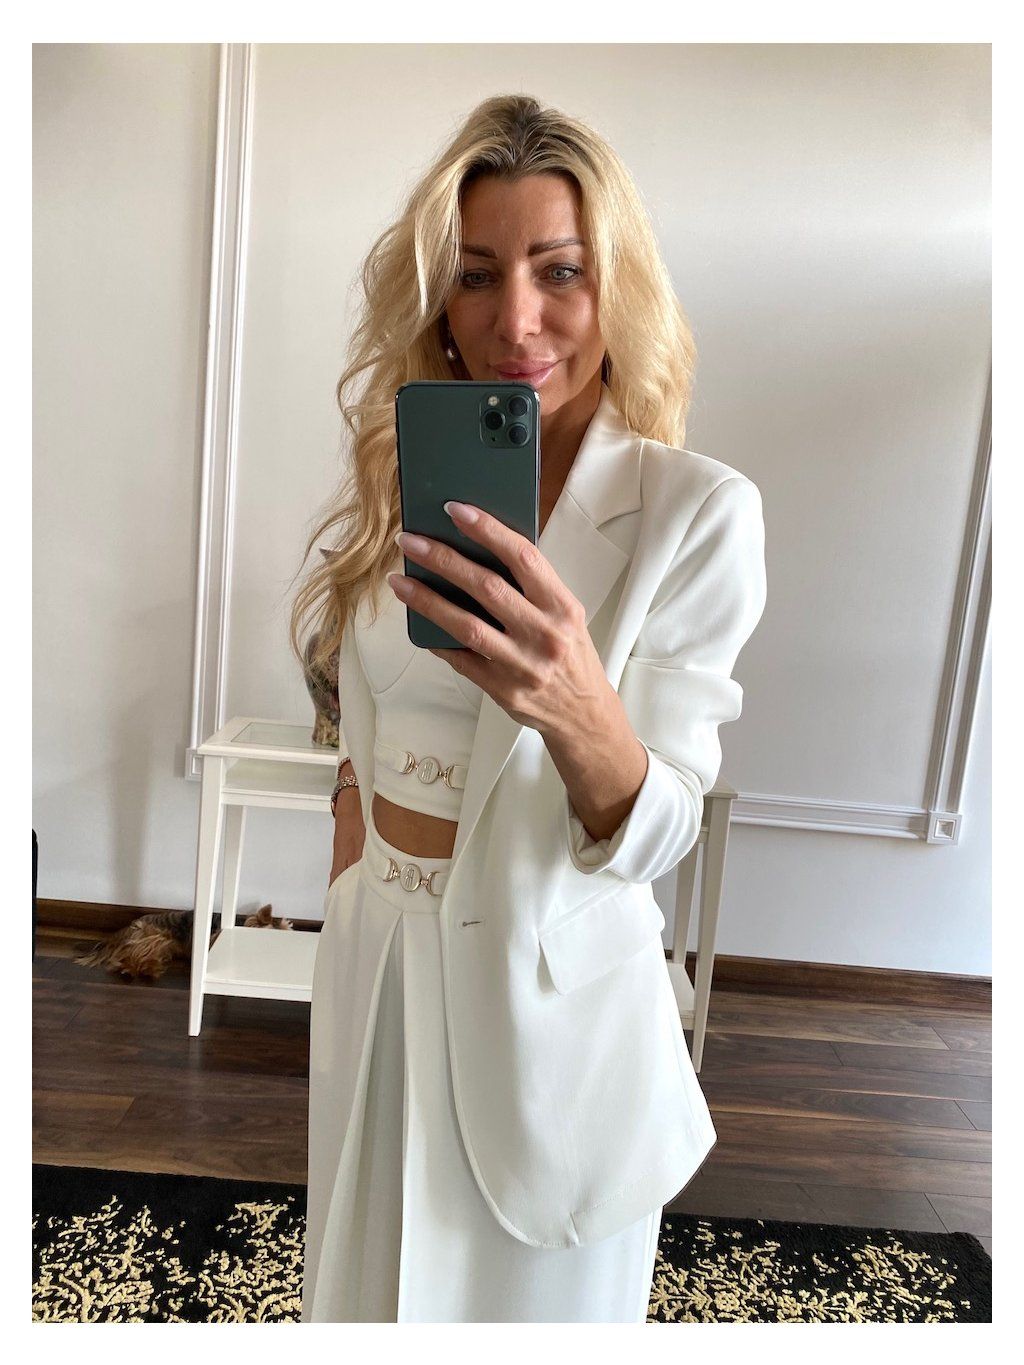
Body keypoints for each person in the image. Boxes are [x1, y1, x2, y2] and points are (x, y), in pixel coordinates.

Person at [289, 92, 767, 1323]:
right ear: (437, 302)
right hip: (377, 970)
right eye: (475, 276)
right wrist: (350, 882)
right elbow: (364, 725)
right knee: (365, 1304)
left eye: (560, 271)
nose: (516, 321)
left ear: (617, 288)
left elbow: (661, 831)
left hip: (548, 1014)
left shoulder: (694, 515)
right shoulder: (403, 476)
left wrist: (577, 705)